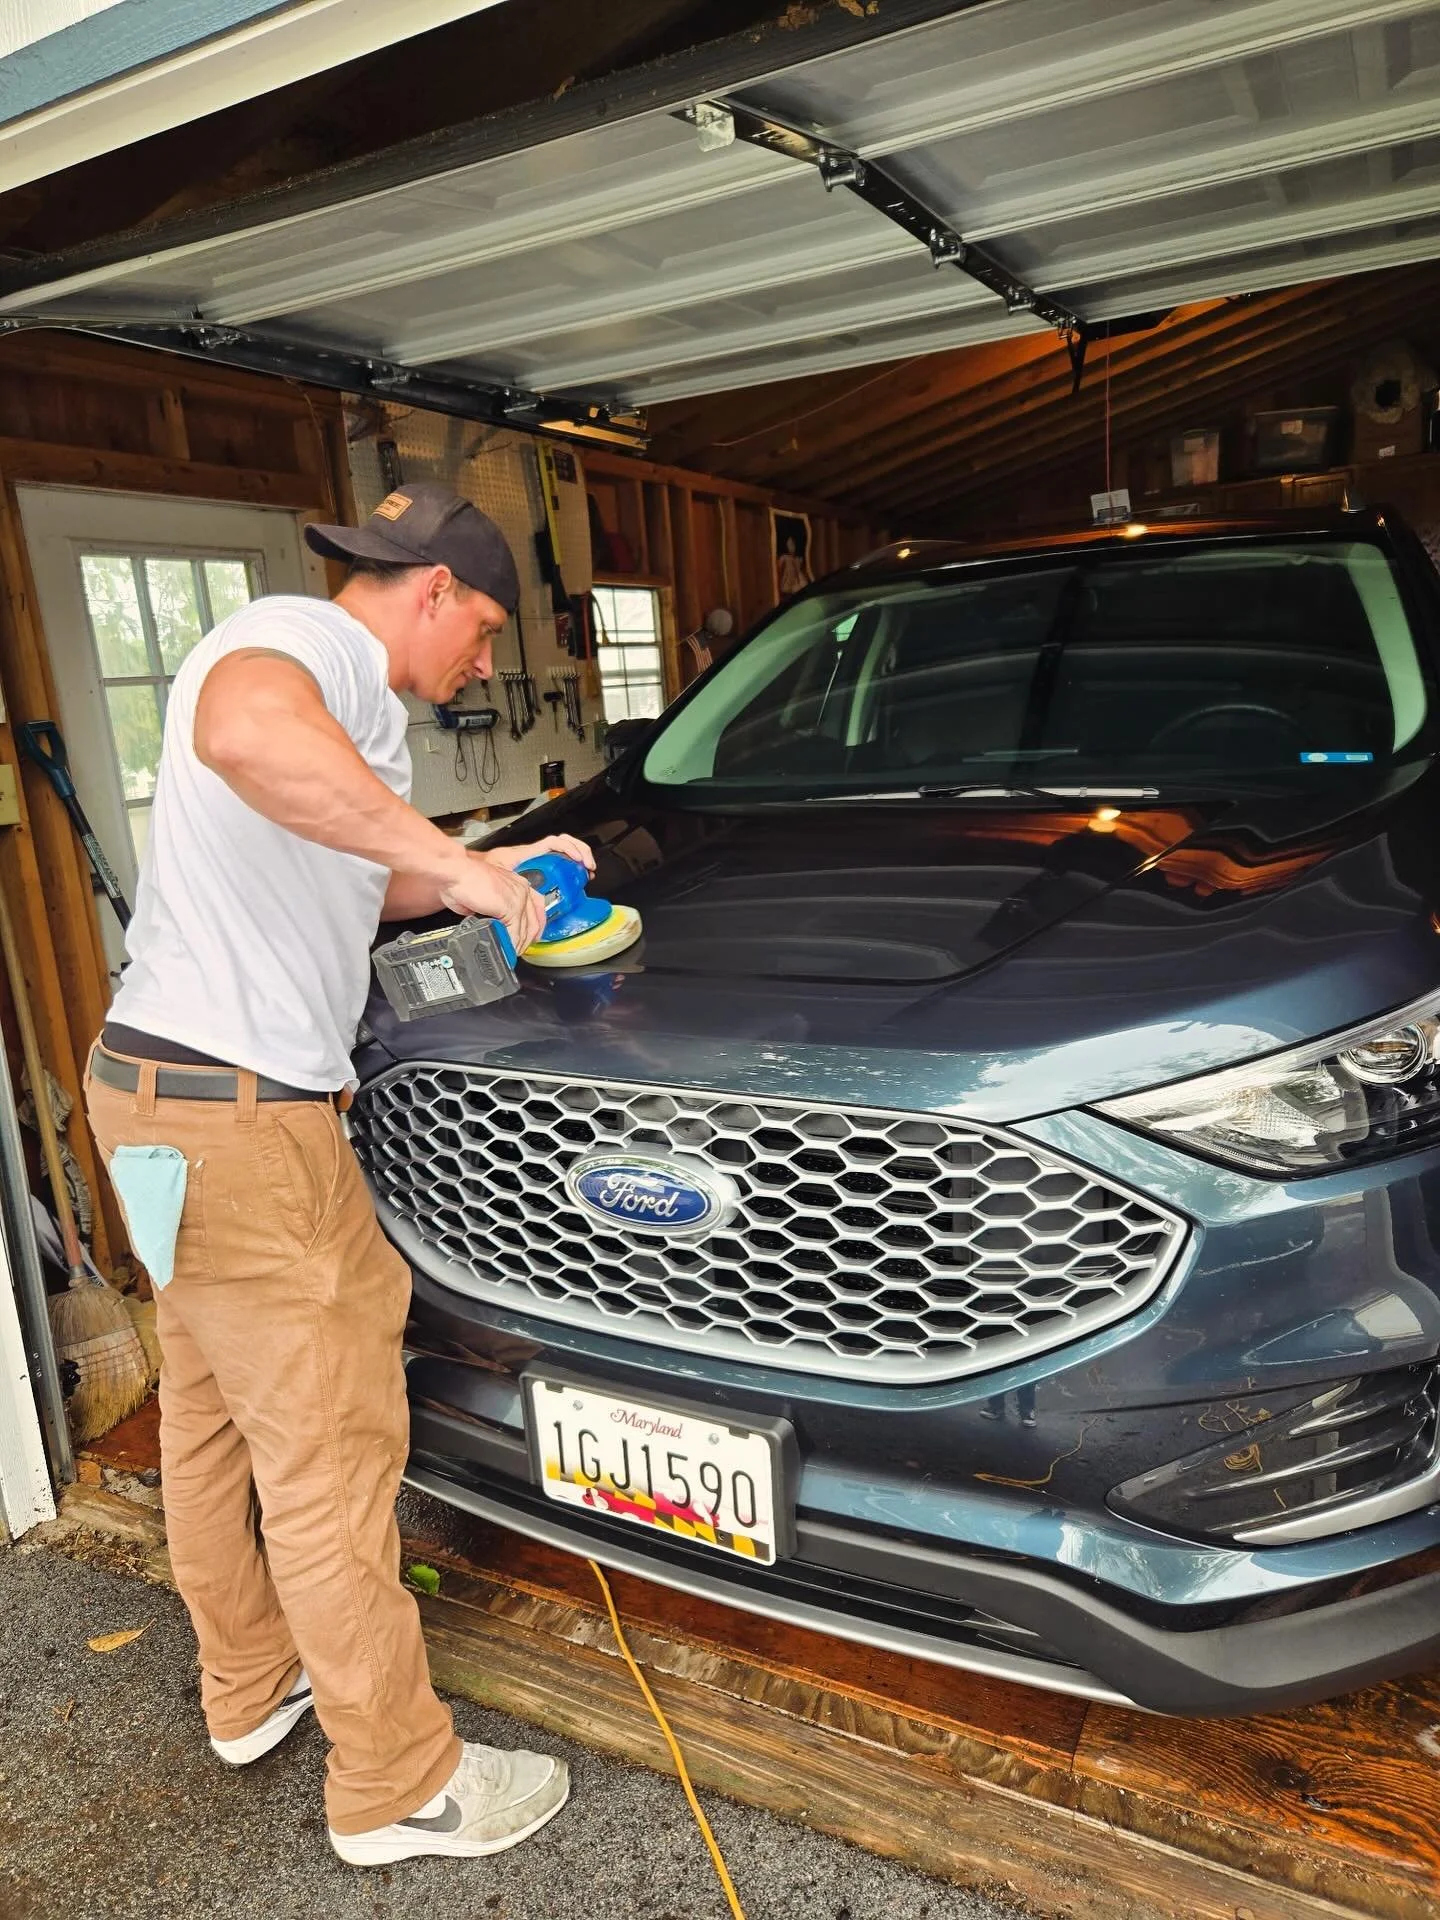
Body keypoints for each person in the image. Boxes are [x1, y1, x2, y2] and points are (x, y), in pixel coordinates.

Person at [83, 483, 583, 1869]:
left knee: (209, 1408)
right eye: (482, 630)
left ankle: (248, 1688)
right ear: (429, 594)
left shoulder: (340, 711)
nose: (481, 665)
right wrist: (454, 866)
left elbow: (357, 890)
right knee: (330, 1453)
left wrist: (490, 865)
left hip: (148, 1093)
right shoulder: (300, 644)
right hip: (249, 1122)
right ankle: (397, 1786)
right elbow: (245, 730)